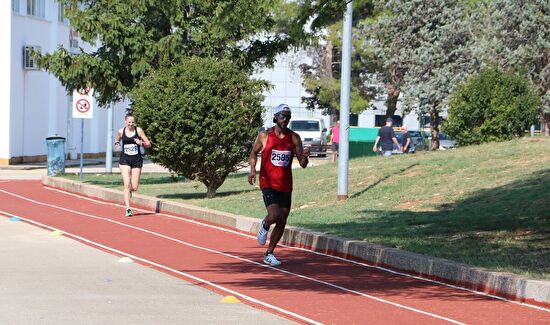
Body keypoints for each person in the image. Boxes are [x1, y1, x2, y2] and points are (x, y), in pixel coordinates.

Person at [248, 103, 310, 266]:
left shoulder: (294, 137)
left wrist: (305, 156)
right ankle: (265, 224)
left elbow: (302, 163)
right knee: (274, 215)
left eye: (288, 117)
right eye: (282, 116)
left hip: (285, 184)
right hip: (267, 182)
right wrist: (253, 169)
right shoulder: (264, 135)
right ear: (275, 117)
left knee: (282, 220)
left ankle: (269, 253)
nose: (285, 119)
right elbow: (253, 153)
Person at [114, 113, 151, 217]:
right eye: (129, 122)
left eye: (132, 122)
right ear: (125, 121)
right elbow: (117, 140)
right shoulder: (121, 131)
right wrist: (117, 143)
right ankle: (128, 208)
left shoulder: (138, 131)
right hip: (124, 160)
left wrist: (141, 143)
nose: (131, 124)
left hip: (136, 160)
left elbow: (148, 143)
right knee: (126, 184)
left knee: (134, 187)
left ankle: (128, 192)